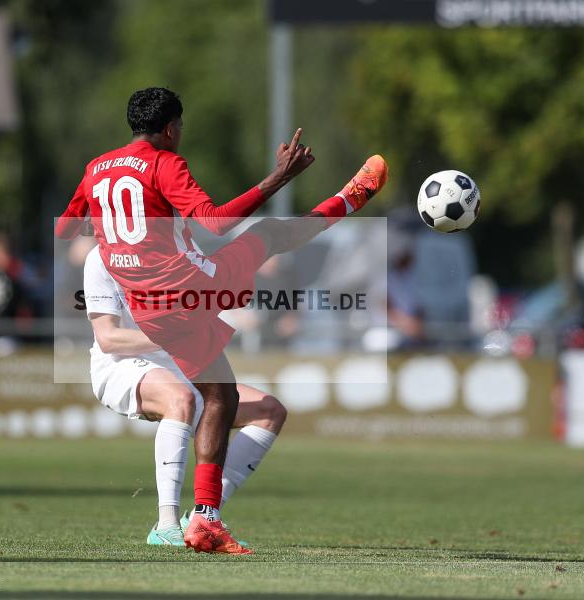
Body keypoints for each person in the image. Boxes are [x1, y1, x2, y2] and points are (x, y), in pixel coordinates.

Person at [56, 87, 387, 553]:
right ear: (171, 128)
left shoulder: (95, 169)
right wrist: (277, 179)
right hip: (188, 291)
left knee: (221, 395)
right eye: (181, 129)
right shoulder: (163, 162)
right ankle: (348, 201)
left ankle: (203, 518)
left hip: (153, 308)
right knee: (269, 233)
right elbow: (213, 222)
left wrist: (112, 230)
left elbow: (64, 230)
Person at [83, 247, 286, 549]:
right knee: (179, 398)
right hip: (119, 366)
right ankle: (165, 527)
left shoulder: (180, 250)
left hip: (179, 364)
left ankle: (202, 518)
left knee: (268, 411)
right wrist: (174, 334)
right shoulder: (101, 257)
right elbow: (109, 339)